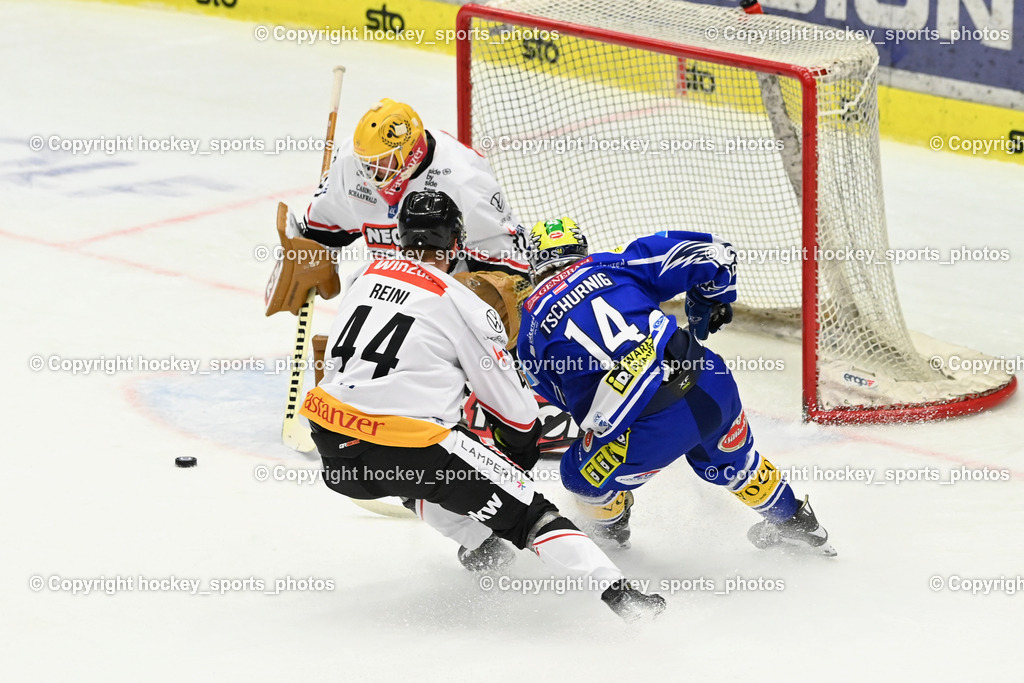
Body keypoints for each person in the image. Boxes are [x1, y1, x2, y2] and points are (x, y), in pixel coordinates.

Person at [300, 190, 666, 621]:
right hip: (409, 447)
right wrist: (517, 457)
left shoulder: (366, 274)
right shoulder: (463, 304)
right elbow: (519, 416)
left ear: (401, 237)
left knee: (418, 475)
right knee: (531, 513)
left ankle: (483, 549)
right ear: (455, 244)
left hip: (332, 447)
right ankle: (623, 598)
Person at [516, 218, 836, 556]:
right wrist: (709, 300)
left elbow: (564, 400)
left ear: (534, 265)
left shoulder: (530, 328)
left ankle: (612, 531)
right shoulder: (614, 263)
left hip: (646, 430)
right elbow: (717, 252)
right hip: (710, 383)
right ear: (582, 249)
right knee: (734, 464)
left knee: (577, 476)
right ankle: (797, 522)